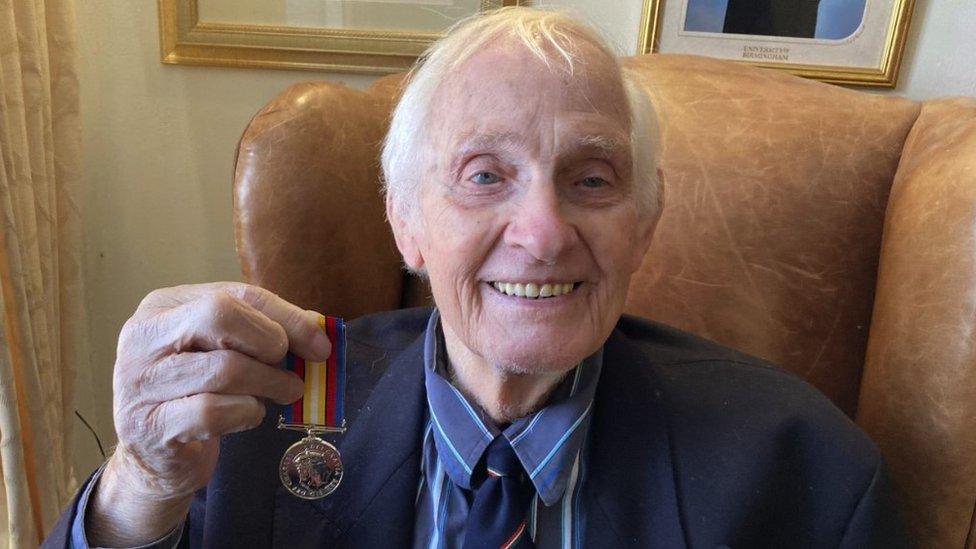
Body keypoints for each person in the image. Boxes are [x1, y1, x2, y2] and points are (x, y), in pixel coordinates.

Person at [46, 7, 908, 548]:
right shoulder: (255, 422)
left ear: (642, 224)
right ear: (405, 221)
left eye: (593, 178)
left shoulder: (807, 473)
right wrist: (139, 489)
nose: (541, 233)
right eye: (485, 175)